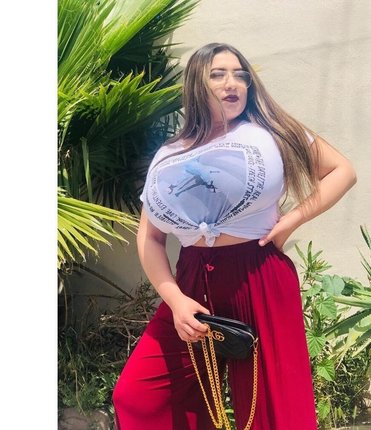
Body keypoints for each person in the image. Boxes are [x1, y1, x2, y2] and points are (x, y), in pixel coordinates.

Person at [112, 42, 357, 430]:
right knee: (139, 395)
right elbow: (150, 236)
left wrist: (291, 221)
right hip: (191, 282)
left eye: (240, 75)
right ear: (196, 84)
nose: (233, 83)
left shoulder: (270, 132)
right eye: (218, 74)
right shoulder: (169, 152)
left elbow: (342, 171)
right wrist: (174, 300)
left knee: (271, 410)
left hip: (258, 274)